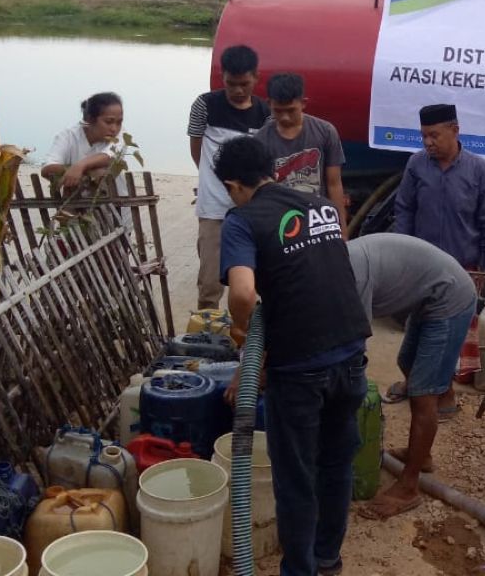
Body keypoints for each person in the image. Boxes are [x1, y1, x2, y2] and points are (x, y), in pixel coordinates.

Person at [216, 135, 371, 576]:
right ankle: (328, 559)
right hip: (350, 351)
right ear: (272, 170)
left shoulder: (241, 219)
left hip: (301, 368)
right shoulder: (320, 205)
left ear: (233, 185)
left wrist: (247, 332)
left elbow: (243, 292)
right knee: (336, 464)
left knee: (297, 478)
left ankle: (300, 571)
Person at [346, 233, 476, 520]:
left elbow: (354, 344)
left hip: (450, 297)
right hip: (429, 295)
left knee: (421, 392)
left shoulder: (352, 277)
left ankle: (409, 486)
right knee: (407, 361)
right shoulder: (338, 263)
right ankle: (424, 453)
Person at [388, 103, 485, 398]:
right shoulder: (416, 165)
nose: (428, 142)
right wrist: (401, 256)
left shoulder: (479, 169)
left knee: (448, 337)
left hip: (462, 270)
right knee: (418, 332)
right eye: (424, 136)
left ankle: (443, 395)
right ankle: (417, 384)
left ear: (455, 131)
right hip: (422, 268)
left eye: (434, 135)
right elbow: (404, 211)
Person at [187, 44, 270, 311]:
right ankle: (207, 333)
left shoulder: (265, 114)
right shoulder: (205, 105)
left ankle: (246, 334)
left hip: (250, 210)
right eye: (231, 83)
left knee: (250, 278)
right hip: (213, 209)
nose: (237, 90)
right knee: (210, 282)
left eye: (244, 83)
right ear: (222, 76)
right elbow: (197, 150)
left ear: (256, 77)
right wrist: (212, 182)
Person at [255, 72, 348, 224]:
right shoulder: (261, 140)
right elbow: (260, 191)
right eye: (278, 111)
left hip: (318, 219)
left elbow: (334, 184)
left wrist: (342, 229)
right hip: (281, 220)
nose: (285, 117)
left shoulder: (325, 131)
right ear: (269, 103)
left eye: (291, 110)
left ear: (303, 103)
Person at [41, 91, 126, 192]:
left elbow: (109, 157)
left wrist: (80, 166)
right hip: (77, 205)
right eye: (108, 122)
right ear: (89, 119)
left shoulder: (122, 135)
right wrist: (78, 171)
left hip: (116, 206)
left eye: (119, 122)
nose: (114, 128)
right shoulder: (68, 136)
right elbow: (47, 169)